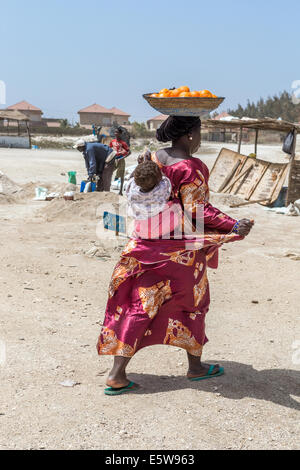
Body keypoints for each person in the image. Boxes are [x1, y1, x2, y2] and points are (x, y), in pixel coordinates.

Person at [97, 116, 254, 396]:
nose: (200, 135)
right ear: (190, 134)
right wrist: (232, 224)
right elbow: (198, 210)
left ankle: (117, 373)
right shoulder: (190, 167)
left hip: (143, 246)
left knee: (140, 305)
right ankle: (196, 368)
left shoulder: (153, 158)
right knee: (193, 303)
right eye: (199, 131)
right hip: (179, 251)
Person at [109, 127, 131, 195]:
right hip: (113, 159)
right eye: (115, 132)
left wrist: (122, 158)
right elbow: (109, 150)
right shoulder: (112, 142)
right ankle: (108, 188)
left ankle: (120, 191)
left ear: (120, 133)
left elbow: (129, 152)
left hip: (121, 159)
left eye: (117, 132)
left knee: (121, 176)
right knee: (109, 173)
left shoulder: (123, 143)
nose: (116, 133)